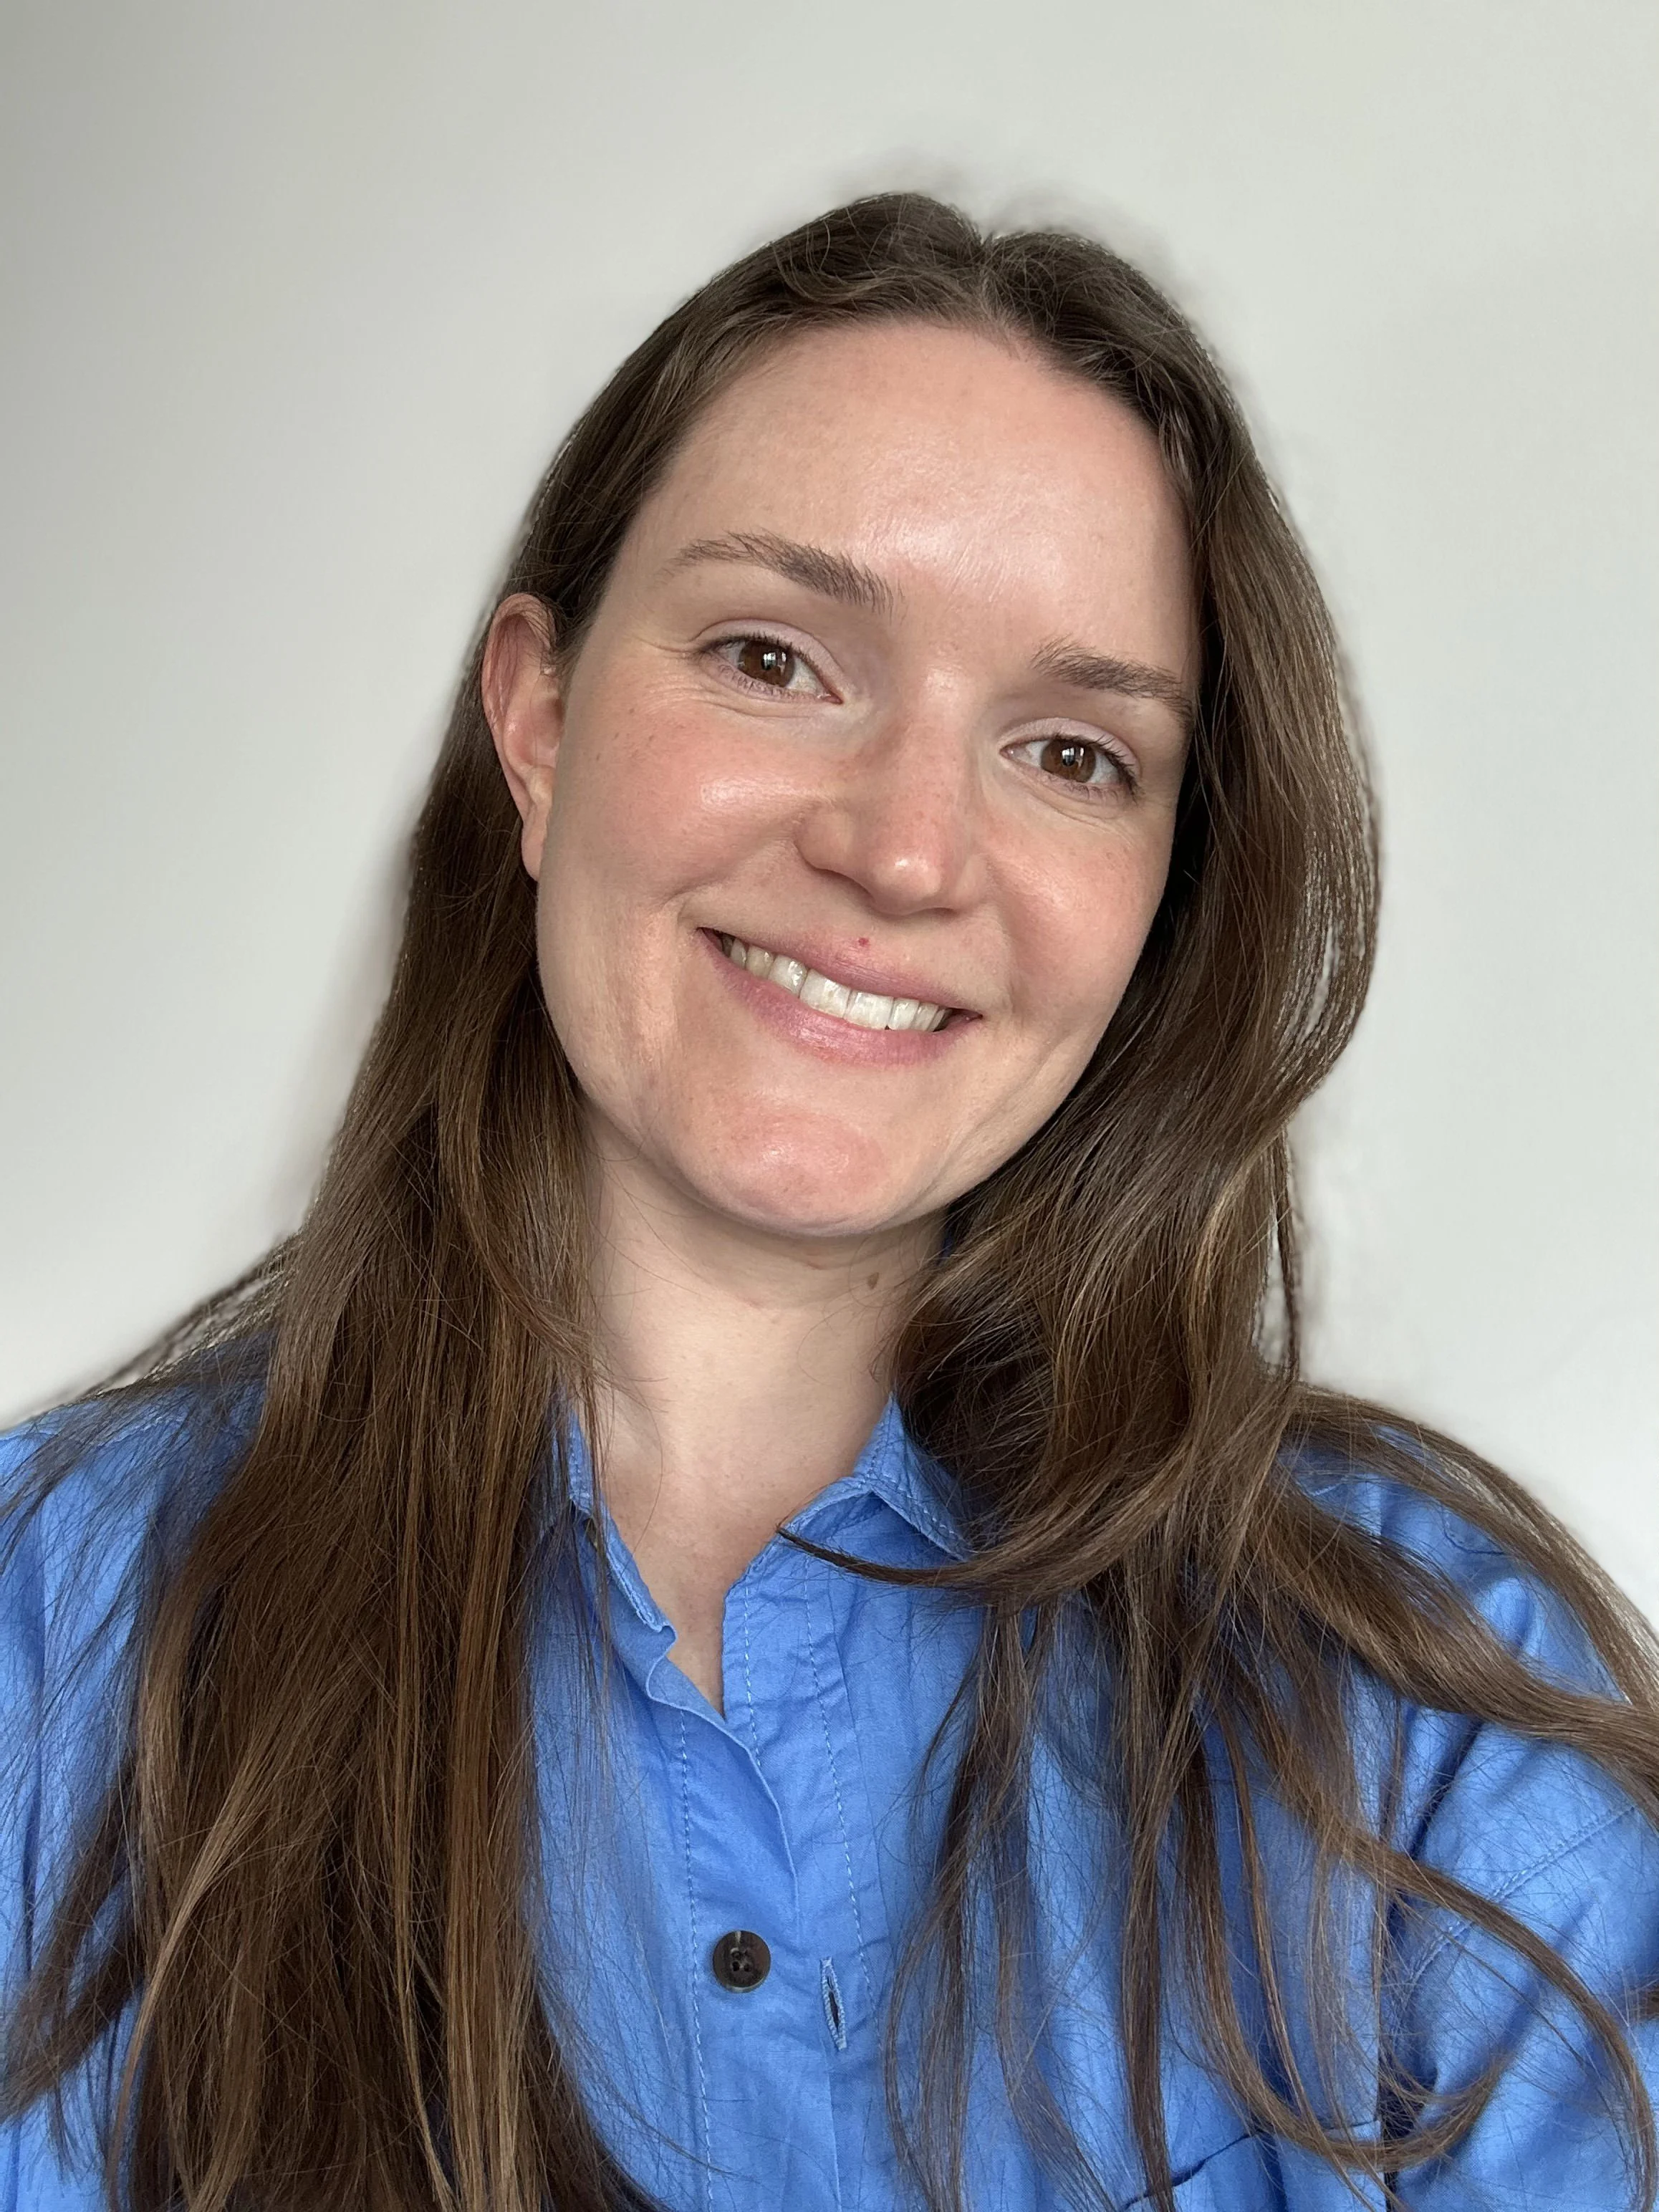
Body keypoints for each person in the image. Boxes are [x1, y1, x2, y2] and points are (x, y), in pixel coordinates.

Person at [1, 192, 1655, 2212]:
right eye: (775, 657)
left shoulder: (1422, 1707)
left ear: (1163, 896)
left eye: (1069, 750)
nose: (901, 849)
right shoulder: (50, 1634)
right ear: (534, 723)